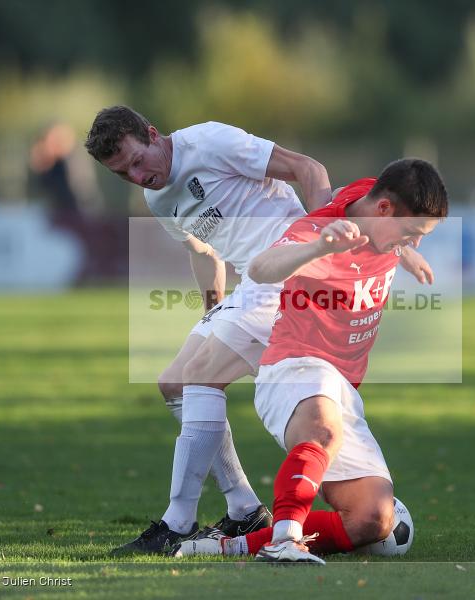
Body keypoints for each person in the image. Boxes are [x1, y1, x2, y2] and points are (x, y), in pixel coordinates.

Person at [85, 107, 436, 555]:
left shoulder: (208, 142)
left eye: (137, 161)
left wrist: (324, 237)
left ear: (153, 135)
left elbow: (307, 168)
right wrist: (212, 311)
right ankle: (243, 508)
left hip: (283, 270)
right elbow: (204, 253)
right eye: (122, 174)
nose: (137, 176)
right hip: (251, 288)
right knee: (174, 382)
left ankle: (179, 523)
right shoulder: (157, 200)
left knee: (198, 379)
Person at [173, 158, 448, 563]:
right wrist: (319, 247)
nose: (414, 242)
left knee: (372, 518)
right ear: (385, 212)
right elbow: (264, 267)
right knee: (322, 430)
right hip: (294, 366)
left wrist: (401, 248)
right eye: (411, 234)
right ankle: (284, 541)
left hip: (341, 385)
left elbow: (351, 193)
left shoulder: (371, 194)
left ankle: (225, 546)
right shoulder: (321, 235)